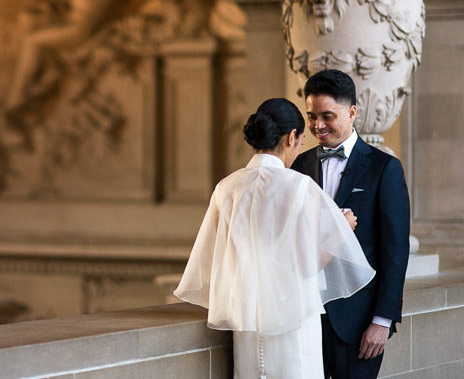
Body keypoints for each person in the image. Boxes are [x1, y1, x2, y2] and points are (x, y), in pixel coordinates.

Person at [175, 98, 375, 379]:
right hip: (293, 320)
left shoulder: (226, 188)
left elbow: (217, 261)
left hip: (247, 320)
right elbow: (308, 264)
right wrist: (341, 229)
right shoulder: (300, 187)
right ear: (292, 136)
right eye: (301, 140)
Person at [291, 69, 410, 379]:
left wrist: (382, 320)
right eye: (311, 116)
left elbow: (395, 250)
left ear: (352, 112)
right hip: (307, 318)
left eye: (327, 116)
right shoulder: (300, 166)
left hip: (359, 323)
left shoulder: (384, 168)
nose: (317, 125)